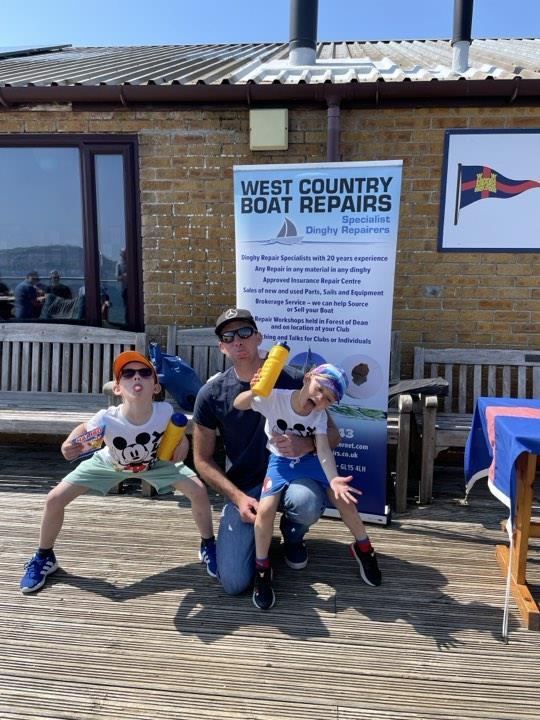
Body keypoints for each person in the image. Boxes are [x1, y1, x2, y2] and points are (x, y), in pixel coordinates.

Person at [20, 350, 217, 594]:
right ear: (117, 388)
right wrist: (68, 444)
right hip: (109, 463)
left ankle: (208, 544)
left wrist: (183, 445)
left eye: (145, 373)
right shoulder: (107, 418)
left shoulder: (164, 411)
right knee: (54, 499)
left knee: (198, 491)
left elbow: (176, 433)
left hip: (155, 464)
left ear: (155, 387)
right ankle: (44, 557)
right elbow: (83, 429)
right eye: (128, 374)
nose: (137, 378)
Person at [192, 308, 340, 596]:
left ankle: (292, 535)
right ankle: (250, 544)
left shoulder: (295, 380)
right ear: (221, 347)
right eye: (229, 336)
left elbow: (332, 435)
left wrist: (306, 445)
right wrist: (237, 497)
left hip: (291, 476)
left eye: (245, 332)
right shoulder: (212, 394)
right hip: (245, 488)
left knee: (307, 502)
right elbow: (202, 459)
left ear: (259, 337)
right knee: (234, 583)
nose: (238, 341)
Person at [234, 363, 382, 610]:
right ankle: (262, 567)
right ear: (307, 378)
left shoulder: (319, 415)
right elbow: (239, 404)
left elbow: (323, 450)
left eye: (328, 398)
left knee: (344, 499)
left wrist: (333, 479)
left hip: (310, 460)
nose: (320, 398)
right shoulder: (275, 398)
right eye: (319, 388)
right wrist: (254, 392)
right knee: (265, 511)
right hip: (280, 461)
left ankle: (364, 548)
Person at [116, 249, 128, 324]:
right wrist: (124, 276)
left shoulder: (131, 262)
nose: (123, 255)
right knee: (126, 305)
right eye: (123, 254)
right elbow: (117, 277)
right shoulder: (119, 264)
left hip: (133, 288)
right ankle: (127, 321)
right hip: (124, 288)